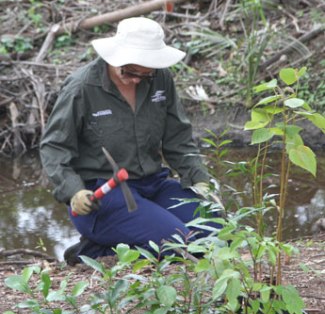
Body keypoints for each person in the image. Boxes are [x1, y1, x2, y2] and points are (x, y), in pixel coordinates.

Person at [40, 17, 223, 265]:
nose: (136, 79)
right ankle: (93, 253)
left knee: (218, 235)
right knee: (178, 243)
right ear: (114, 57)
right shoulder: (81, 88)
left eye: (145, 74)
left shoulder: (161, 80)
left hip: (153, 185)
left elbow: (178, 140)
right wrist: (73, 190)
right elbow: (54, 146)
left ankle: (116, 241)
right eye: (129, 72)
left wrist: (200, 179)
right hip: (103, 194)